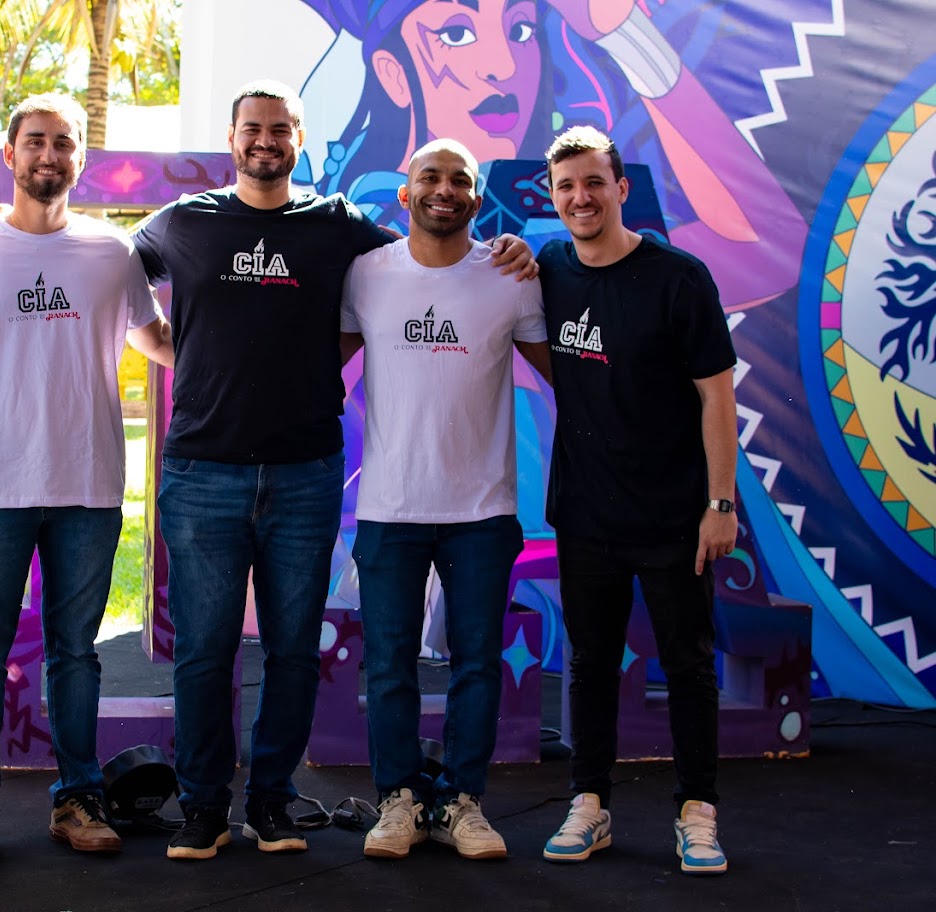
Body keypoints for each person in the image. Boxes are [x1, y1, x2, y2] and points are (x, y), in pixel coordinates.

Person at [129, 80, 536, 861]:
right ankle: (204, 807)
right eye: (253, 128)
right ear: (232, 136)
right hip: (203, 470)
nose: (266, 140)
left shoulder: (338, 224)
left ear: (299, 137)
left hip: (305, 471)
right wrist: (166, 347)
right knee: (205, 652)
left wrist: (508, 247)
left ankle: (272, 802)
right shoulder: (185, 220)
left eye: (280, 128)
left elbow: (430, 249)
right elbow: (109, 270)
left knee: (292, 652)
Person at [0, 93, 172, 865]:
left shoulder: (111, 252)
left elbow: (158, 340)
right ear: (10, 154)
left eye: (63, 143)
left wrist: (246, 347)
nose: (48, 155)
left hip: (87, 484)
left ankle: (79, 796)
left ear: (80, 159)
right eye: (35, 141)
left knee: (76, 651)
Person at [295, 0, 805, 311]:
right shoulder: (360, 236)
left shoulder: (571, 206)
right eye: (456, 33)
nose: (503, 66)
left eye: (521, 30)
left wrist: (626, 35)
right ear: (392, 73)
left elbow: (764, 247)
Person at [338, 139, 550, 861]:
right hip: (390, 506)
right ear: (406, 193)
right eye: (430, 176)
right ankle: (398, 799)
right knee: (389, 664)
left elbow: (570, 374)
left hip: (482, 512)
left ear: (476, 197)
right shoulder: (366, 274)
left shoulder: (510, 276)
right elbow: (315, 363)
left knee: (477, 662)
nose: (445, 189)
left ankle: (461, 801)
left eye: (460, 179)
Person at [536, 125, 736, 875]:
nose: (581, 198)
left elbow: (717, 397)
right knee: (589, 663)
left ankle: (698, 812)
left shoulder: (679, 278)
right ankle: (588, 803)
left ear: (621, 188)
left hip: (675, 514)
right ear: (553, 197)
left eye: (594, 182)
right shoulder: (546, 269)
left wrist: (720, 504)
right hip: (586, 511)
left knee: (688, 666)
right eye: (566, 187)